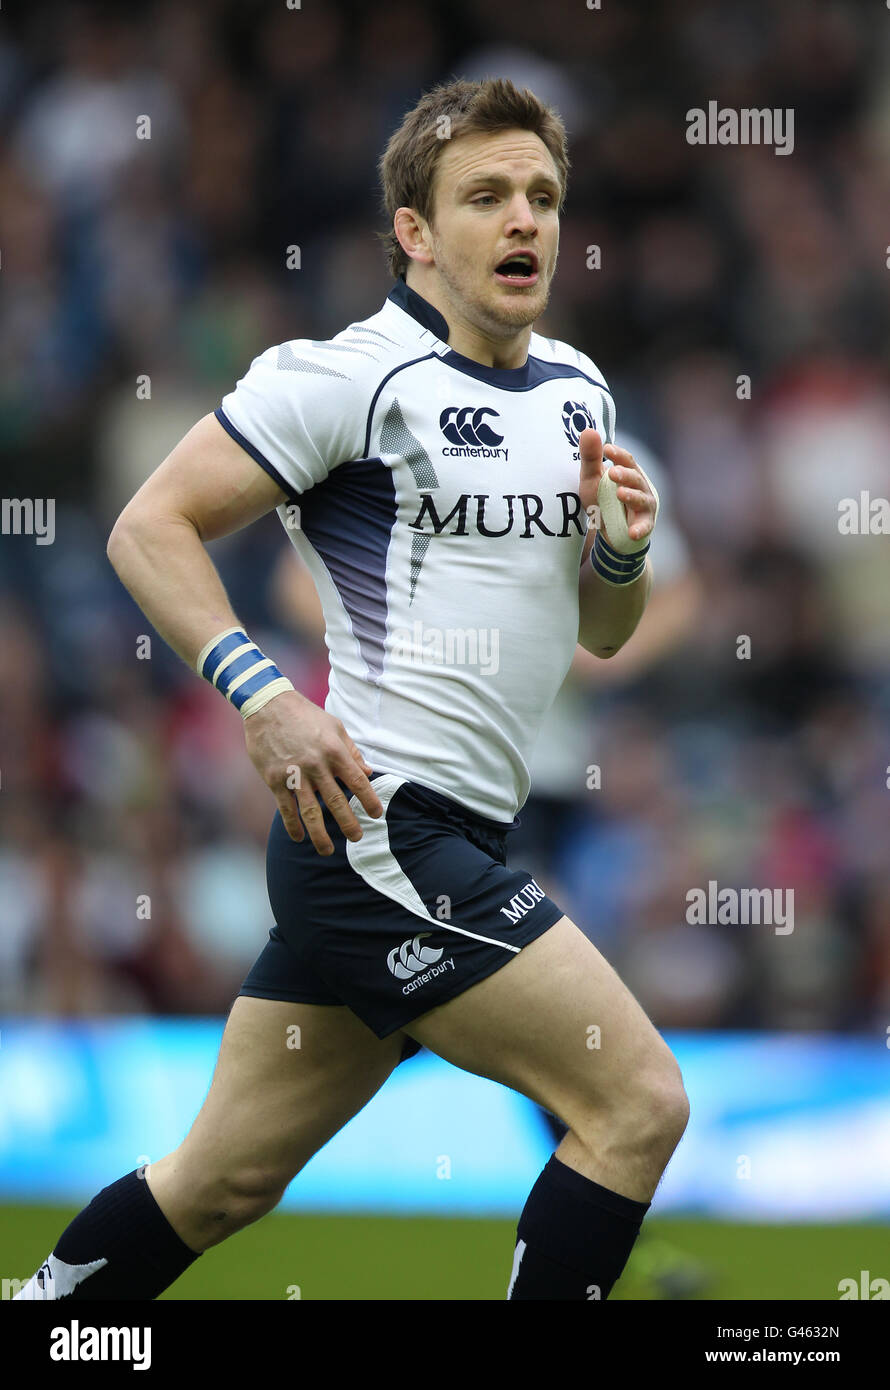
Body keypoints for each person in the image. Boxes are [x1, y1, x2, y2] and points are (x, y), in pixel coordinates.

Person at [15, 77, 688, 1302]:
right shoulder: (348, 376)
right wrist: (262, 696)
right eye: (484, 196)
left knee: (215, 1183)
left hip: (446, 834)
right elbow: (146, 527)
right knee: (636, 1102)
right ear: (415, 232)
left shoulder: (577, 391)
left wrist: (623, 553)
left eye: (540, 195)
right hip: (380, 827)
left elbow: (601, 631)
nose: (523, 220)